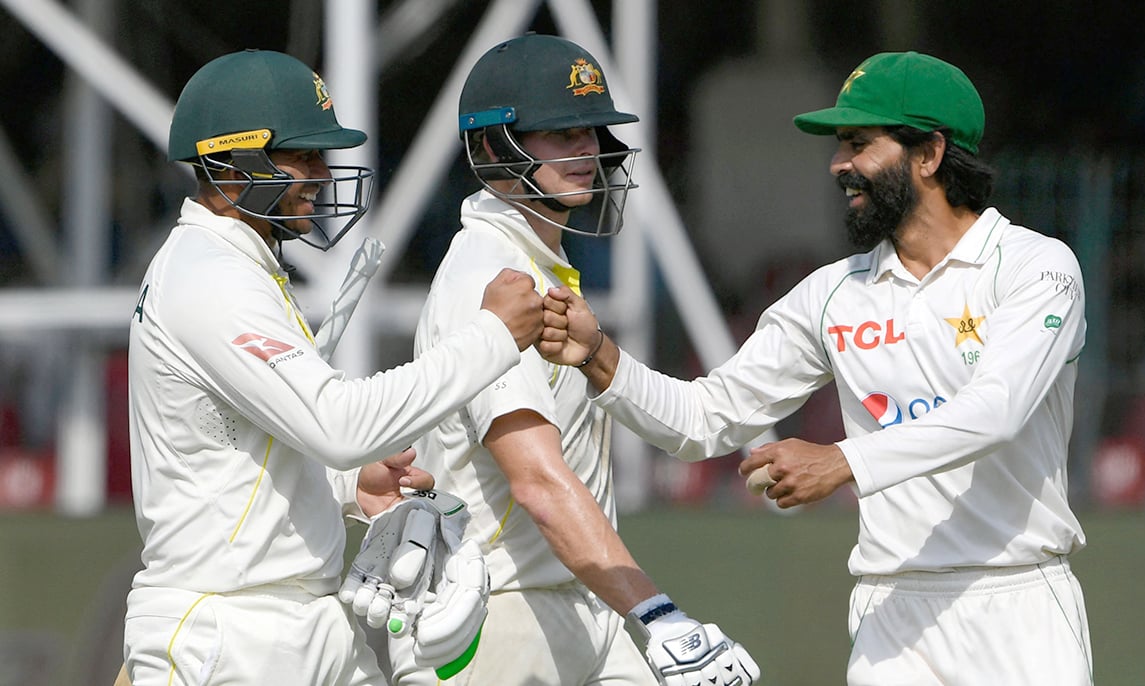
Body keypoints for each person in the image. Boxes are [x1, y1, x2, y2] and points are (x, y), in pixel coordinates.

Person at [541, 51, 1094, 686]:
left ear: (930, 154)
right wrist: (599, 355)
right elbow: (704, 418)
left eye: (859, 144)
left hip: (1018, 606)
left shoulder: (1035, 267)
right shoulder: (833, 293)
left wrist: (842, 462)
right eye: (839, 146)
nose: (838, 166)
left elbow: (996, 411)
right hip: (891, 617)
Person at [121, 49, 544, 685]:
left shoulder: (239, 266)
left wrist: (349, 488)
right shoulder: (208, 279)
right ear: (233, 161)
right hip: (226, 635)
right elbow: (339, 425)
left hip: (297, 624)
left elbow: (250, 451)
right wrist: (491, 337)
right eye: (304, 155)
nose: (322, 175)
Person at [390, 34, 759, 686]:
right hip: (495, 617)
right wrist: (662, 616)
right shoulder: (492, 275)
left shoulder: (541, 267)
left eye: (591, 131)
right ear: (490, 145)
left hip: (578, 606)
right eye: (559, 134)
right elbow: (535, 482)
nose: (587, 150)